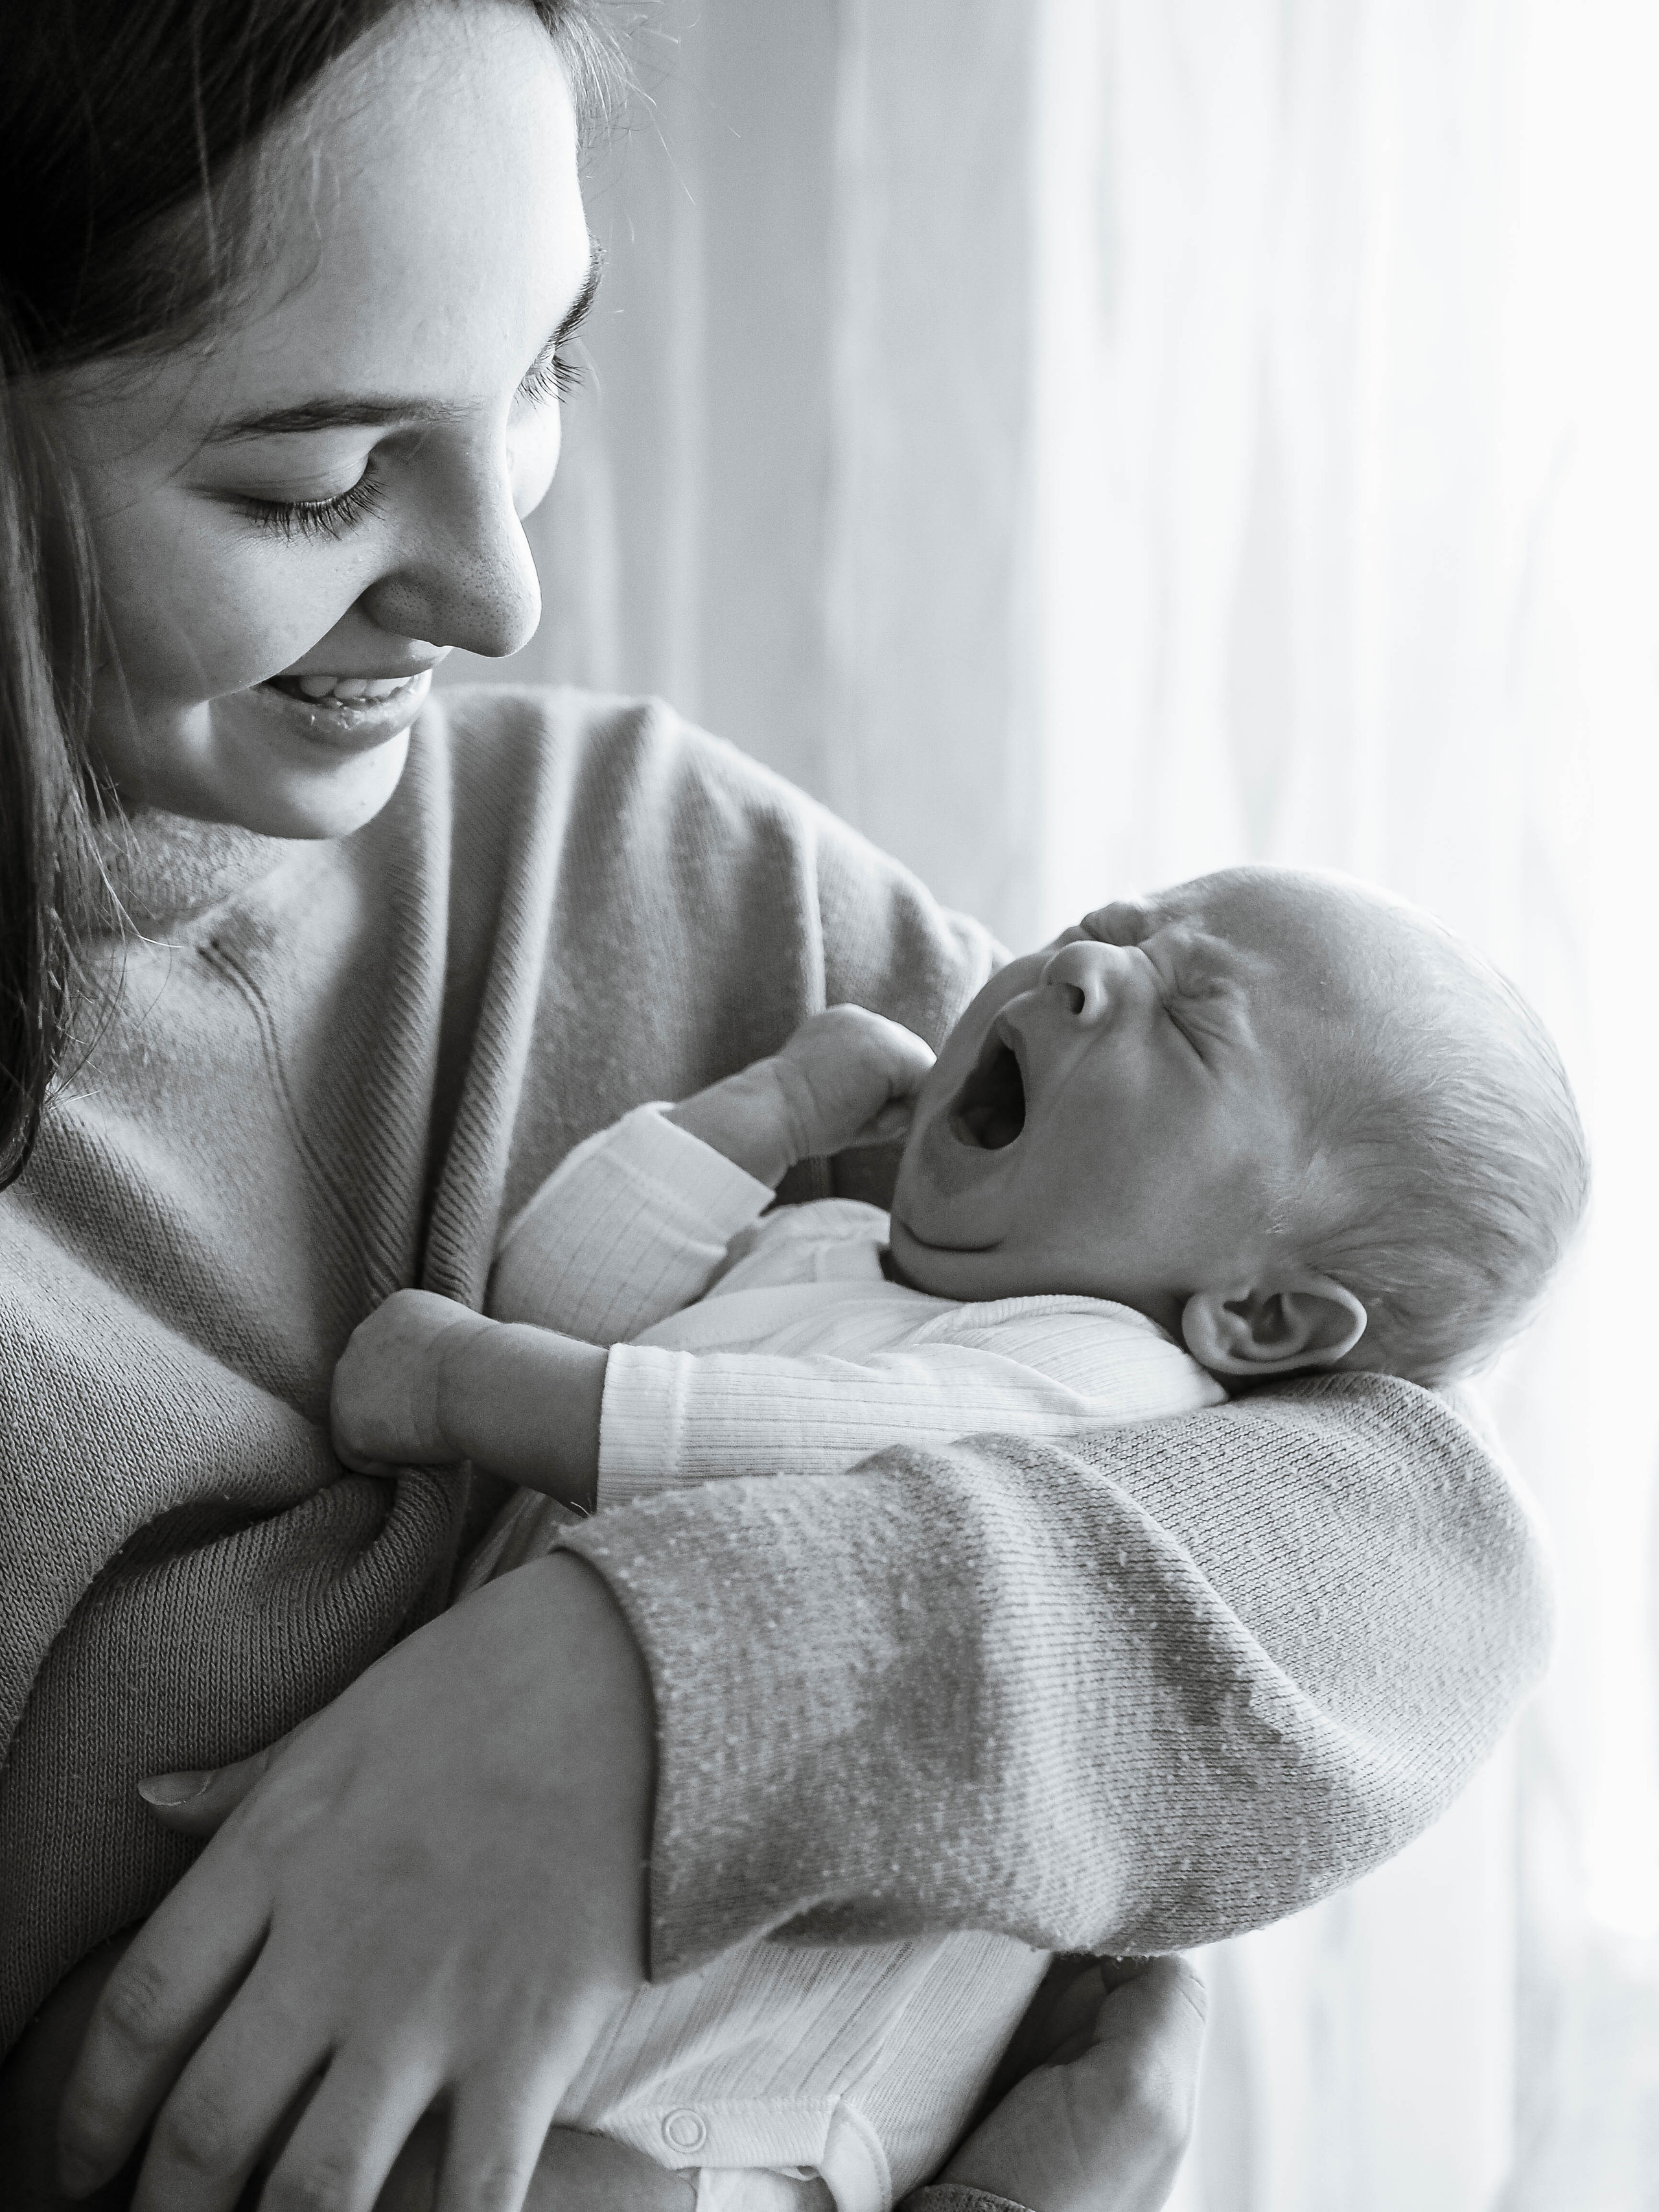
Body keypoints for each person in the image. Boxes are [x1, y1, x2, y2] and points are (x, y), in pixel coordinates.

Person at [0, 6, 1552, 2211]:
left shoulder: (639, 868)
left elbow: (1419, 1551)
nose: (506, 594)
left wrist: (648, 1701)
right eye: (314, 480)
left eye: (546, 373)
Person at [323, 865, 1584, 2209]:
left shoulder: (1107, 1385)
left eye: (1192, 1021)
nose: (1088, 971)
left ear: (1261, 1320)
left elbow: (786, 1455)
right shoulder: (828, 1242)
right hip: (523, 1977)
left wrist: (468, 1386)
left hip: (720, 2116)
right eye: (1110, 929)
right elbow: (564, 1299)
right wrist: (760, 1117)